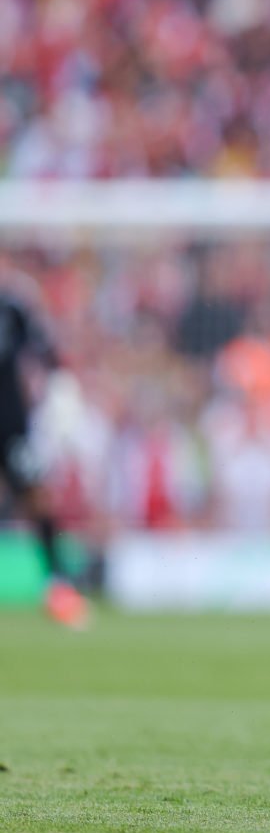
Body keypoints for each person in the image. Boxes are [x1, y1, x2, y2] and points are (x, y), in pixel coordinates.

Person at [0, 266, 89, 629]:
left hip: (10, 425)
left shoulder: (12, 307)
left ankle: (58, 585)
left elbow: (47, 353)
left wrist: (55, 394)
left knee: (37, 497)